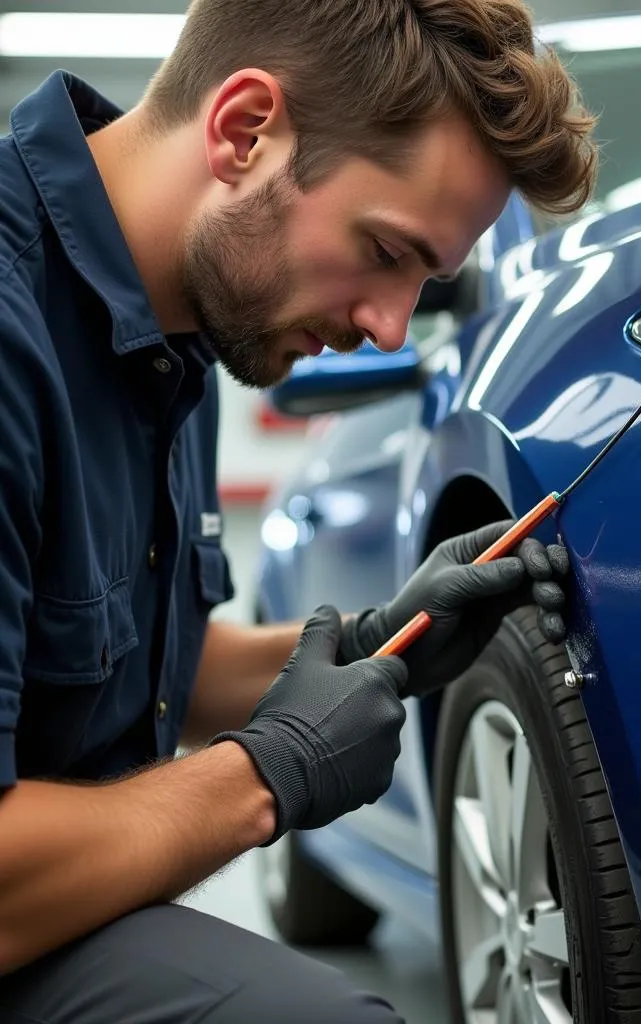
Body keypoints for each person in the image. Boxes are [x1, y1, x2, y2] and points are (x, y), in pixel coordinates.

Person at [0, 0, 598, 1020]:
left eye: (425, 281)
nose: (387, 326)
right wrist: (269, 773)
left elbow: (139, 668)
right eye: (385, 251)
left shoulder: (173, 332)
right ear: (244, 131)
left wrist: (386, 644)